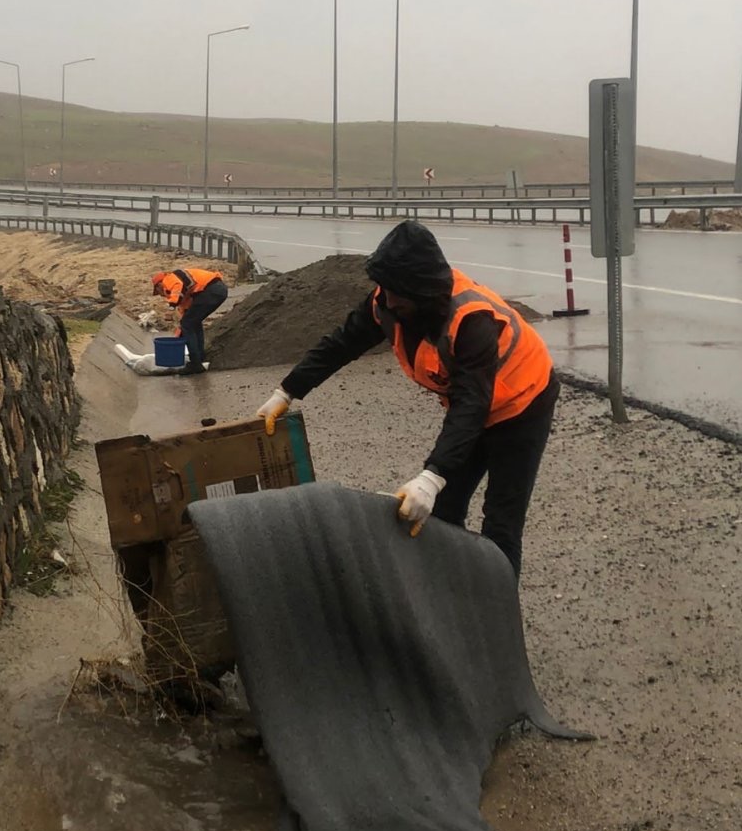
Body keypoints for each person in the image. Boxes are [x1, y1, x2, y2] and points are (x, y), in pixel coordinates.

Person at [257, 221, 558, 578]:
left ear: (422, 289)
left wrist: (431, 476)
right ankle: (452, 591)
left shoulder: (471, 320)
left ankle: (498, 617)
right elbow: (342, 343)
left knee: (501, 525)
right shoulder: (388, 304)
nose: (387, 297)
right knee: (444, 509)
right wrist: (287, 391)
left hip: (523, 403)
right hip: (472, 405)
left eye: (397, 290)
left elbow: (471, 407)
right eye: (384, 288)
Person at [151, 267, 228, 374]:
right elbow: (186, 315)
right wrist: (178, 335)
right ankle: (200, 358)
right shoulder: (185, 292)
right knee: (193, 323)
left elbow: (177, 286)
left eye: (159, 292)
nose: (162, 295)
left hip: (211, 290)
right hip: (217, 291)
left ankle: (195, 363)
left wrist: (171, 307)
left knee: (189, 324)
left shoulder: (169, 280)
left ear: (159, 285)